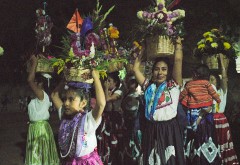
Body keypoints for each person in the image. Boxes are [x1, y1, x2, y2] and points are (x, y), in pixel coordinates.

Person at [133, 37, 185, 165]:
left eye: (164, 69)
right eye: (156, 69)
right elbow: (135, 69)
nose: (160, 72)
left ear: (168, 72)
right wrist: (144, 49)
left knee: (169, 160)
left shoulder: (173, 86)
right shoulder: (149, 87)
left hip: (169, 130)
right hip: (151, 129)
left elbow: (178, 60)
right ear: (152, 72)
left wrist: (178, 44)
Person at [51, 69, 106, 164]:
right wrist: (63, 81)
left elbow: (101, 104)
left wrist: (96, 78)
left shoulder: (88, 120)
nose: (66, 103)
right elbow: (54, 95)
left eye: (71, 99)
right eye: (65, 99)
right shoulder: (65, 116)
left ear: (83, 103)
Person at [182, 64, 222, 164]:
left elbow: (184, 97)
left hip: (196, 114)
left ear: (195, 74)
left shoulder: (190, 84)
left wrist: (182, 102)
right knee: (204, 140)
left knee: (197, 137)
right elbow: (213, 97)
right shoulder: (208, 85)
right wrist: (218, 100)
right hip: (206, 119)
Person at [25, 55, 59, 165]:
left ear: (41, 83)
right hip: (36, 127)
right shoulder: (38, 96)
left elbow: (29, 80)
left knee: (40, 156)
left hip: (40, 128)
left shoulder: (42, 95)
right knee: (39, 155)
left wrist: (34, 62)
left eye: (36, 82)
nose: (34, 84)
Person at [210, 53, 239, 165]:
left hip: (221, 121)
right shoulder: (206, 94)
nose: (210, 82)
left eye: (212, 80)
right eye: (209, 80)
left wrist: (221, 60)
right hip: (210, 121)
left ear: (217, 81)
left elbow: (225, 76)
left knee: (223, 144)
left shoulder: (221, 92)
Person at [179, 64, 221, 131]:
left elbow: (183, 94)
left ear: (196, 75)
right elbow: (213, 93)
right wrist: (218, 100)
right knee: (206, 121)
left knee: (192, 116)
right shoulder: (207, 83)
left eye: (192, 74)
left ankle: (192, 126)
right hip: (206, 106)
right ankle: (207, 136)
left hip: (194, 107)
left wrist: (179, 99)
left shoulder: (190, 84)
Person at [96, 71, 125, 164]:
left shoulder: (118, 91)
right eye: (106, 81)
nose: (107, 83)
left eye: (109, 81)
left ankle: (116, 160)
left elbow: (107, 100)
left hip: (115, 118)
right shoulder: (107, 91)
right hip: (106, 118)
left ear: (115, 82)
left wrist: (105, 88)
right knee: (105, 140)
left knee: (115, 140)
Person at [121, 75, 142, 164]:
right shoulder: (128, 94)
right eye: (130, 83)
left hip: (133, 124)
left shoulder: (136, 96)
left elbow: (132, 110)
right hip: (128, 123)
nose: (130, 85)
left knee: (133, 144)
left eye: (133, 83)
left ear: (136, 84)